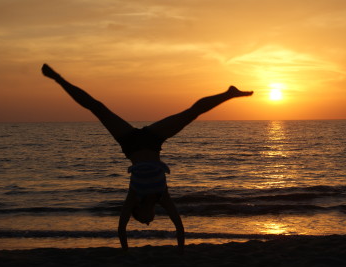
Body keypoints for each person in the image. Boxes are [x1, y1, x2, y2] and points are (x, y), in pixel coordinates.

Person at [41, 64, 253, 254]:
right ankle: (229, 94)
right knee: (191, 114)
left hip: (130, 143)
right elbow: (178, 226)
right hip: (153, 140)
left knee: (97, 108)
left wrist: (125, 251)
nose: (148, 223)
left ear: (139, 211)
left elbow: (121, 227)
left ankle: (58, 79)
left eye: (143, 221)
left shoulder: (135, 195)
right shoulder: (162, 196)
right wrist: (181, 250)